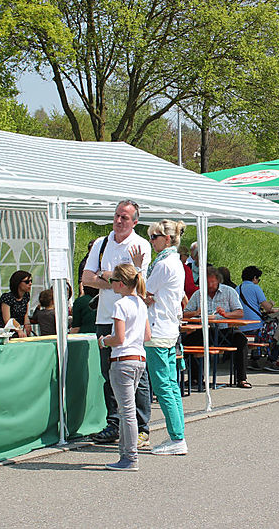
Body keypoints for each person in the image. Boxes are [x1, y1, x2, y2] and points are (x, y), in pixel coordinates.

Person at [81, 200, 152, 447]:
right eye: (117, 216)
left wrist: (106, 275)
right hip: (105, 316)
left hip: (131, 316)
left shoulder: (140, 245)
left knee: (136, 374)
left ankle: (141, 427)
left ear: (135, 222)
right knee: (108, 374)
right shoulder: (101, 243)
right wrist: (115, 277)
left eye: (125, 217)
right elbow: (87, 279)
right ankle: (114, 423)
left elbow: (138, 281)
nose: (119, 221)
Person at [97, 263, 151, 472]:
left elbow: (118, 338)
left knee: (126, 411)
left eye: (112, 281)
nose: (110, 285)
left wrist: (104, 341)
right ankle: (126, 454)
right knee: (128, 410)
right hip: (139, 358)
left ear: (120, 283)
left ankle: (129, 457)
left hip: (123, 360)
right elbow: (147, 335)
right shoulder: (140, 303)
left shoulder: (121, 305)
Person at [141, 220, 188, 456]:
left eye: (155, 237)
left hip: (159, 330)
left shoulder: (163, 265)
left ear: (167, 239)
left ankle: (177, 437)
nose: (152, 241)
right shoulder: (175, 262)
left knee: (163, 387)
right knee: (170, 385)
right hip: (169, 329)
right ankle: (177, 434)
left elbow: (144, 291)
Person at [182, 266, 250, 388]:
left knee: (242, 340)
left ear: (218, 280)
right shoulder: (198, 294)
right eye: (207, 282)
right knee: (187, 342)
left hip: (225, 330)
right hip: (206, 330)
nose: (210, 285)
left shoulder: (229, 291)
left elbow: (240, 312)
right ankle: (194, 377)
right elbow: (185, 313)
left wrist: (226, 314)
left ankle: (241, 378)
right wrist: (196, 313)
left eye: (212, 282)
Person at [238, 265, 279, 373]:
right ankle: (271, 361)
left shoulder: (237, 288)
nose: (258, 281)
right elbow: (267, 307)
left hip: (240, 325)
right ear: (254, 278)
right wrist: (271, 303)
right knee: (277, 331)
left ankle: (255, 359)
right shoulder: (255, 288)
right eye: (258, 279)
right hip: (255, 325)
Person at [0, 270, 33, 337]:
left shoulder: (26, 295)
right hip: (6, 332)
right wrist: (18, 330)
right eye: (27, 282)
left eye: (31, 281)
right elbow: (7, 320)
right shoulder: (7, 297)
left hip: (20, 329)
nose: (30, 283)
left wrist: (27, 324)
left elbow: (25, 314)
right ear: (18, 283)